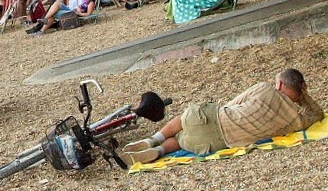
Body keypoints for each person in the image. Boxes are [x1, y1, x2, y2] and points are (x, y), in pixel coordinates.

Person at [121, 68, 323, 165]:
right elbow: (318, 113)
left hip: (214, 118)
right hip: (217, 143)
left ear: (279, 85)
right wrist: (302, 96)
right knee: (182, 140)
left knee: (184, 119)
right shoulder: (296, 122)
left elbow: (231, 104)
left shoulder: (264, 89)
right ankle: (159, 150)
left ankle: (152, 140)